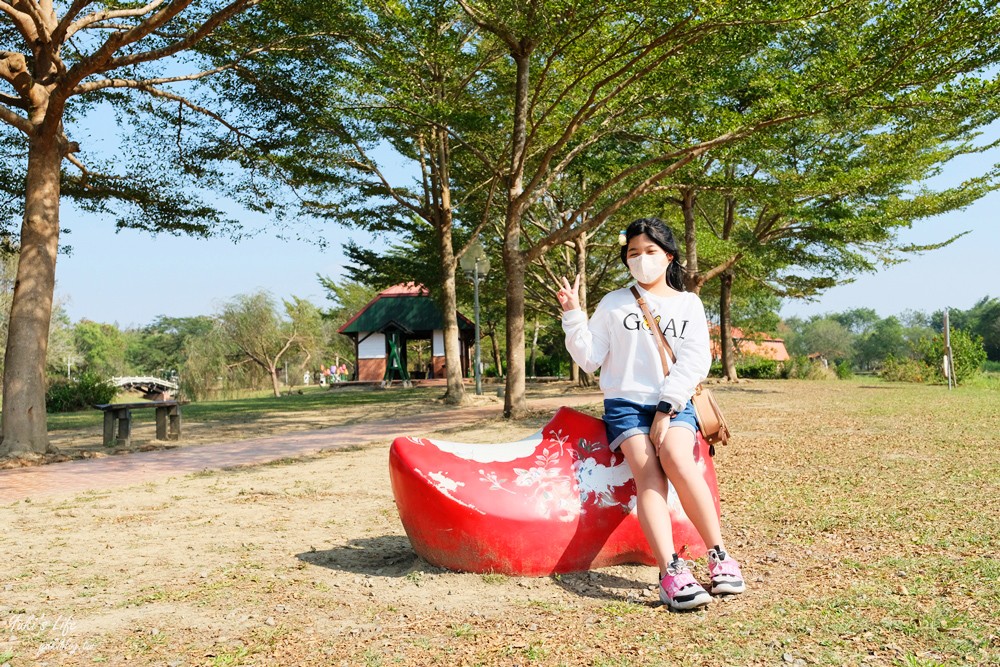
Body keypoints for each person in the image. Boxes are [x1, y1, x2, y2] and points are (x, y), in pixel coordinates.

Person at [557, 217, 745, 611]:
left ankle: (719, 555)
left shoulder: (688, 303)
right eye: (633, 253)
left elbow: (694, 360)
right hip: (624, 405)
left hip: (672, 401)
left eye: (650, 251)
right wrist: (573, 314)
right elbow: (590, 359)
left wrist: (666, 408)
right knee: (649, 474)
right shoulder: (613, 302)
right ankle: (670, 571)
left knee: (677, 457)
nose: (641, 259)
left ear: (668, 256)